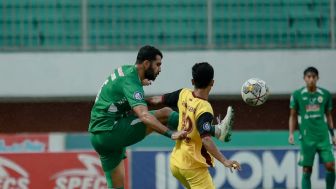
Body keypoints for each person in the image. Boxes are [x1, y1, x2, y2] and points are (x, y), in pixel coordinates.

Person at [88, 45, 187, 189]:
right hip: (111, 131)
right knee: (164, 113)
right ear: (146, 63)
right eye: (157, 64)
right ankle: (206, 128)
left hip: (98, 136)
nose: (160, 69)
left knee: (116, 187)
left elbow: (121, 93)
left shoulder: (126, 71)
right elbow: (144, 115)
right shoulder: (131, 82)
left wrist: (141, 83)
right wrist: (171, 134)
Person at [146, 62, 241, 189]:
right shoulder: (204, 108)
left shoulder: (183, 93)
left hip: (176, 162)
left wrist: (134, 104)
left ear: (192, 81)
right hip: (193, 167)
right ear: (212, 83)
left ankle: (218, 130)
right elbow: (206, 139)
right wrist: (225, 161)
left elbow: (156, 99)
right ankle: (218, 130)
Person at [288, 66, 335, 189]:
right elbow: (292, 116)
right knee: (307, 169)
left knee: (330, 165)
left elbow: (329, 116)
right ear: (304, 78)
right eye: (308, 77)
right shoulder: (297, 95)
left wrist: (333, 135)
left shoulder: (325, 94)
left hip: (323, 137)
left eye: (314, 77)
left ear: (318, 78)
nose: (311, 79)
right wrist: (291, 134)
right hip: (307, 137)